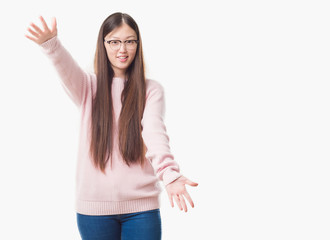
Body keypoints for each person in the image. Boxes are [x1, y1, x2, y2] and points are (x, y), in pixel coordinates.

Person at [25, 12, 198, 240]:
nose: (122, 49)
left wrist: (169, 174)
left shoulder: (151, 90)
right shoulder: (88, 86)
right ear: (103, 44)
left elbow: (154, 131)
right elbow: (65, 68)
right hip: (94, 211)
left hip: (141, 209)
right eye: (114, 41)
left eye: (129, 41)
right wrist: (51, 44)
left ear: (138, 44)